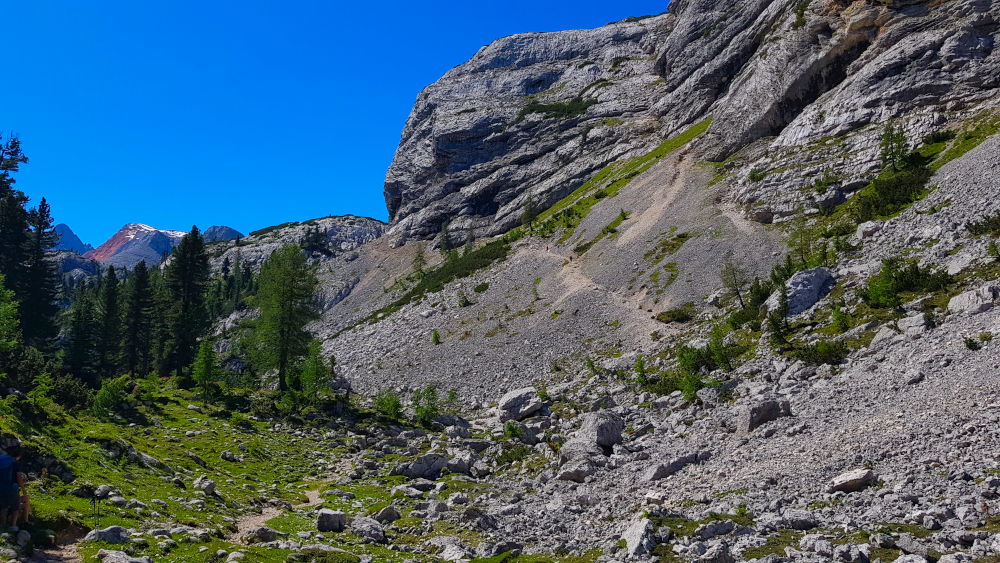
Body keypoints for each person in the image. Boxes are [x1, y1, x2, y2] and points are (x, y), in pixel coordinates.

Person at [0, 445, 24, 528]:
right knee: (15, 507)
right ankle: (13, 526)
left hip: (1, 488)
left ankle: (3, 526)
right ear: (19, 456)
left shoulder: (2, 459)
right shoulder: (16, 463)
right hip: (12, 488)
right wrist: (23, 489)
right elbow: (19, 477)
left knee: (3, 507)